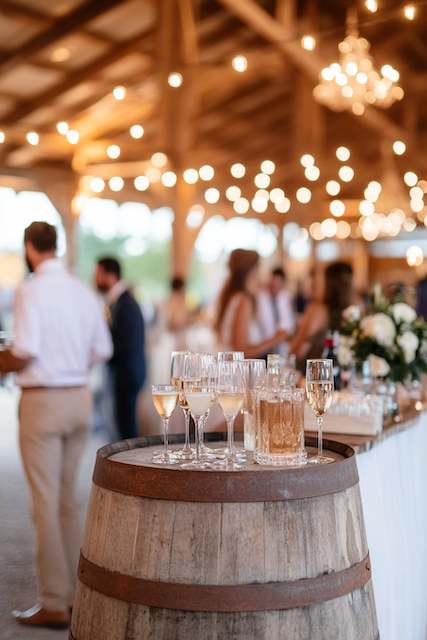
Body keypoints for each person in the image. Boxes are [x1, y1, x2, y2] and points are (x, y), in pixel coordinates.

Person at [0, 222, 112, 630]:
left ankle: (53, 601)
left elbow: (25, 351)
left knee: (44, 503)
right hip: (78, 399)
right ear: (56, 246)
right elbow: (104, 348)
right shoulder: (82, 291)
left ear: (30, 247)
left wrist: (2, 359)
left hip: (43, 401)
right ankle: (73, 594)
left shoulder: (31, 290)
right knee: (67, 501)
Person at [95, 257, 146, 440]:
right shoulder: (119, 301)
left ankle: (131, 466)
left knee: (126, 428)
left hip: (128, 374)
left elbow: (123, 344)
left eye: (98, 274)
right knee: (122, 424)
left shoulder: (126, 304)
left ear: (110, 276)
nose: (95, 279)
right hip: (125, 373)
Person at [215, 249, 287, 358]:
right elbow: (241, 352)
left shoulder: (234, 296)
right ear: (252, 270)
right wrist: (275, 339)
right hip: (237, 371)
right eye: (258, 268)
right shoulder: (244, 301)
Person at [290, 261, 353, 365]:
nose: (313, 284)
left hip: (313, 375)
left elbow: (297, 353)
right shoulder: (355, 309)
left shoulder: (317, 311)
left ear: (328, 284)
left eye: (317, 279)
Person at [258, 267, 295, 346]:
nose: (275, 285)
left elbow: (289, 322)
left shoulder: (287, 297)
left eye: (279, 282)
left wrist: (283, 331)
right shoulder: (260, 297)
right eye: (274, 281)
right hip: (263, 343)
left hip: (282, 344)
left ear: (283, 283)